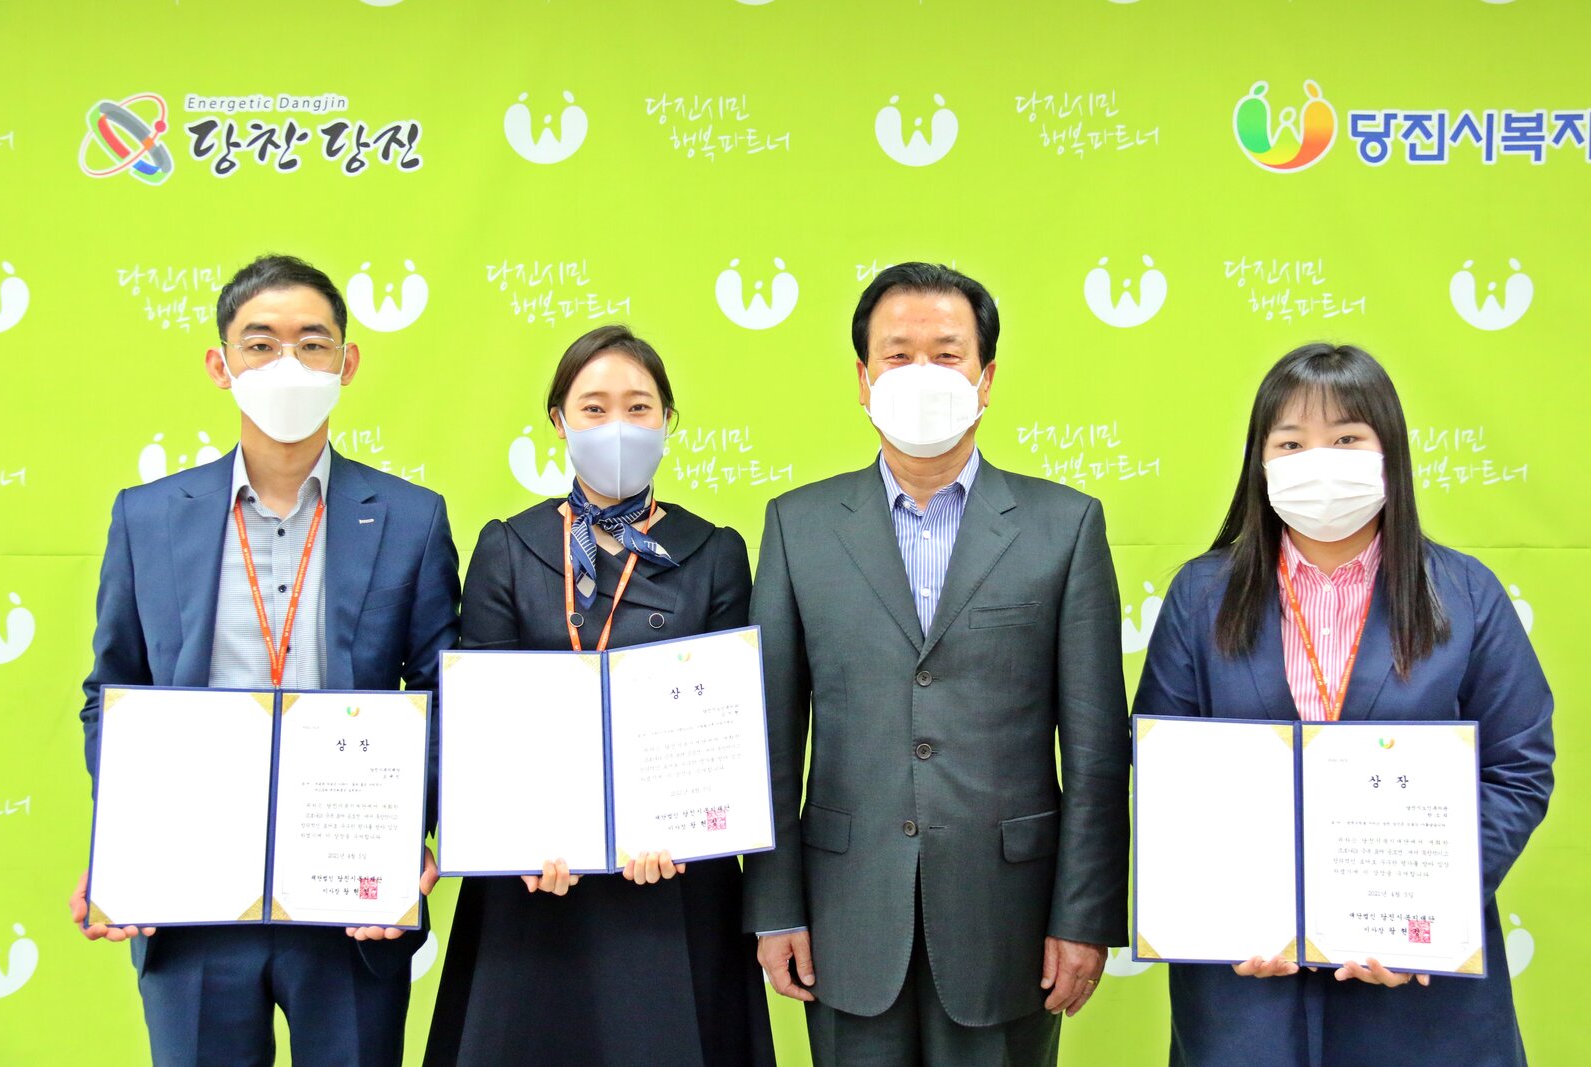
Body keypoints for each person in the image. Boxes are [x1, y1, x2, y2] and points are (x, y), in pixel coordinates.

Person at [69, 254, 461, 1065]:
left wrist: (406, 835)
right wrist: (124, 846)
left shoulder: (411, 517)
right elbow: (112, 693)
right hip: (191, 896)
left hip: (350, 895)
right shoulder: (147, 517)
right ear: (221, 365)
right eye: (260, 343)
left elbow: (442, 696)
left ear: (347, 363)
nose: (288, 363)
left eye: (312, 343)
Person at [742, 263, 1131, 1065]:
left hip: (1011, 918)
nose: (922, 374)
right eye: (898, 354)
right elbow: (769, 740)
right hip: (847, 912)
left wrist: (1084, 915)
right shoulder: (797, 526)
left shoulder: (1064, 526)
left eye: (947, 354)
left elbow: (1096, 751)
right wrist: (776, 905)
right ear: (863, 379)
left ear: (986, 378)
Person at [1133, 343, 1554, 1067]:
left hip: (1418, 988)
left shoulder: (1466, 594)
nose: (1319, 462)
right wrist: (1224, 912)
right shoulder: (1201, 596)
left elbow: (1517, 769)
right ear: (1260, 462)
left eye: (1348, 439)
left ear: (1390, 453)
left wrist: (1431, 906)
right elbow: (1164, 771)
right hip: (1247, 988)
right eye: (1291, 443)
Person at [424, 324, 775, 1067]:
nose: (618, 424)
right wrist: (517, 839)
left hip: (671, 882)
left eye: (638, 407)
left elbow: (730, 726)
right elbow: (479, 720)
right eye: (594, 407)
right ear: (559, 421)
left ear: (667, 420)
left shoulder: (713, 551)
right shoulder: (508, 545)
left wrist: (686, 824)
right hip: (535, 882)